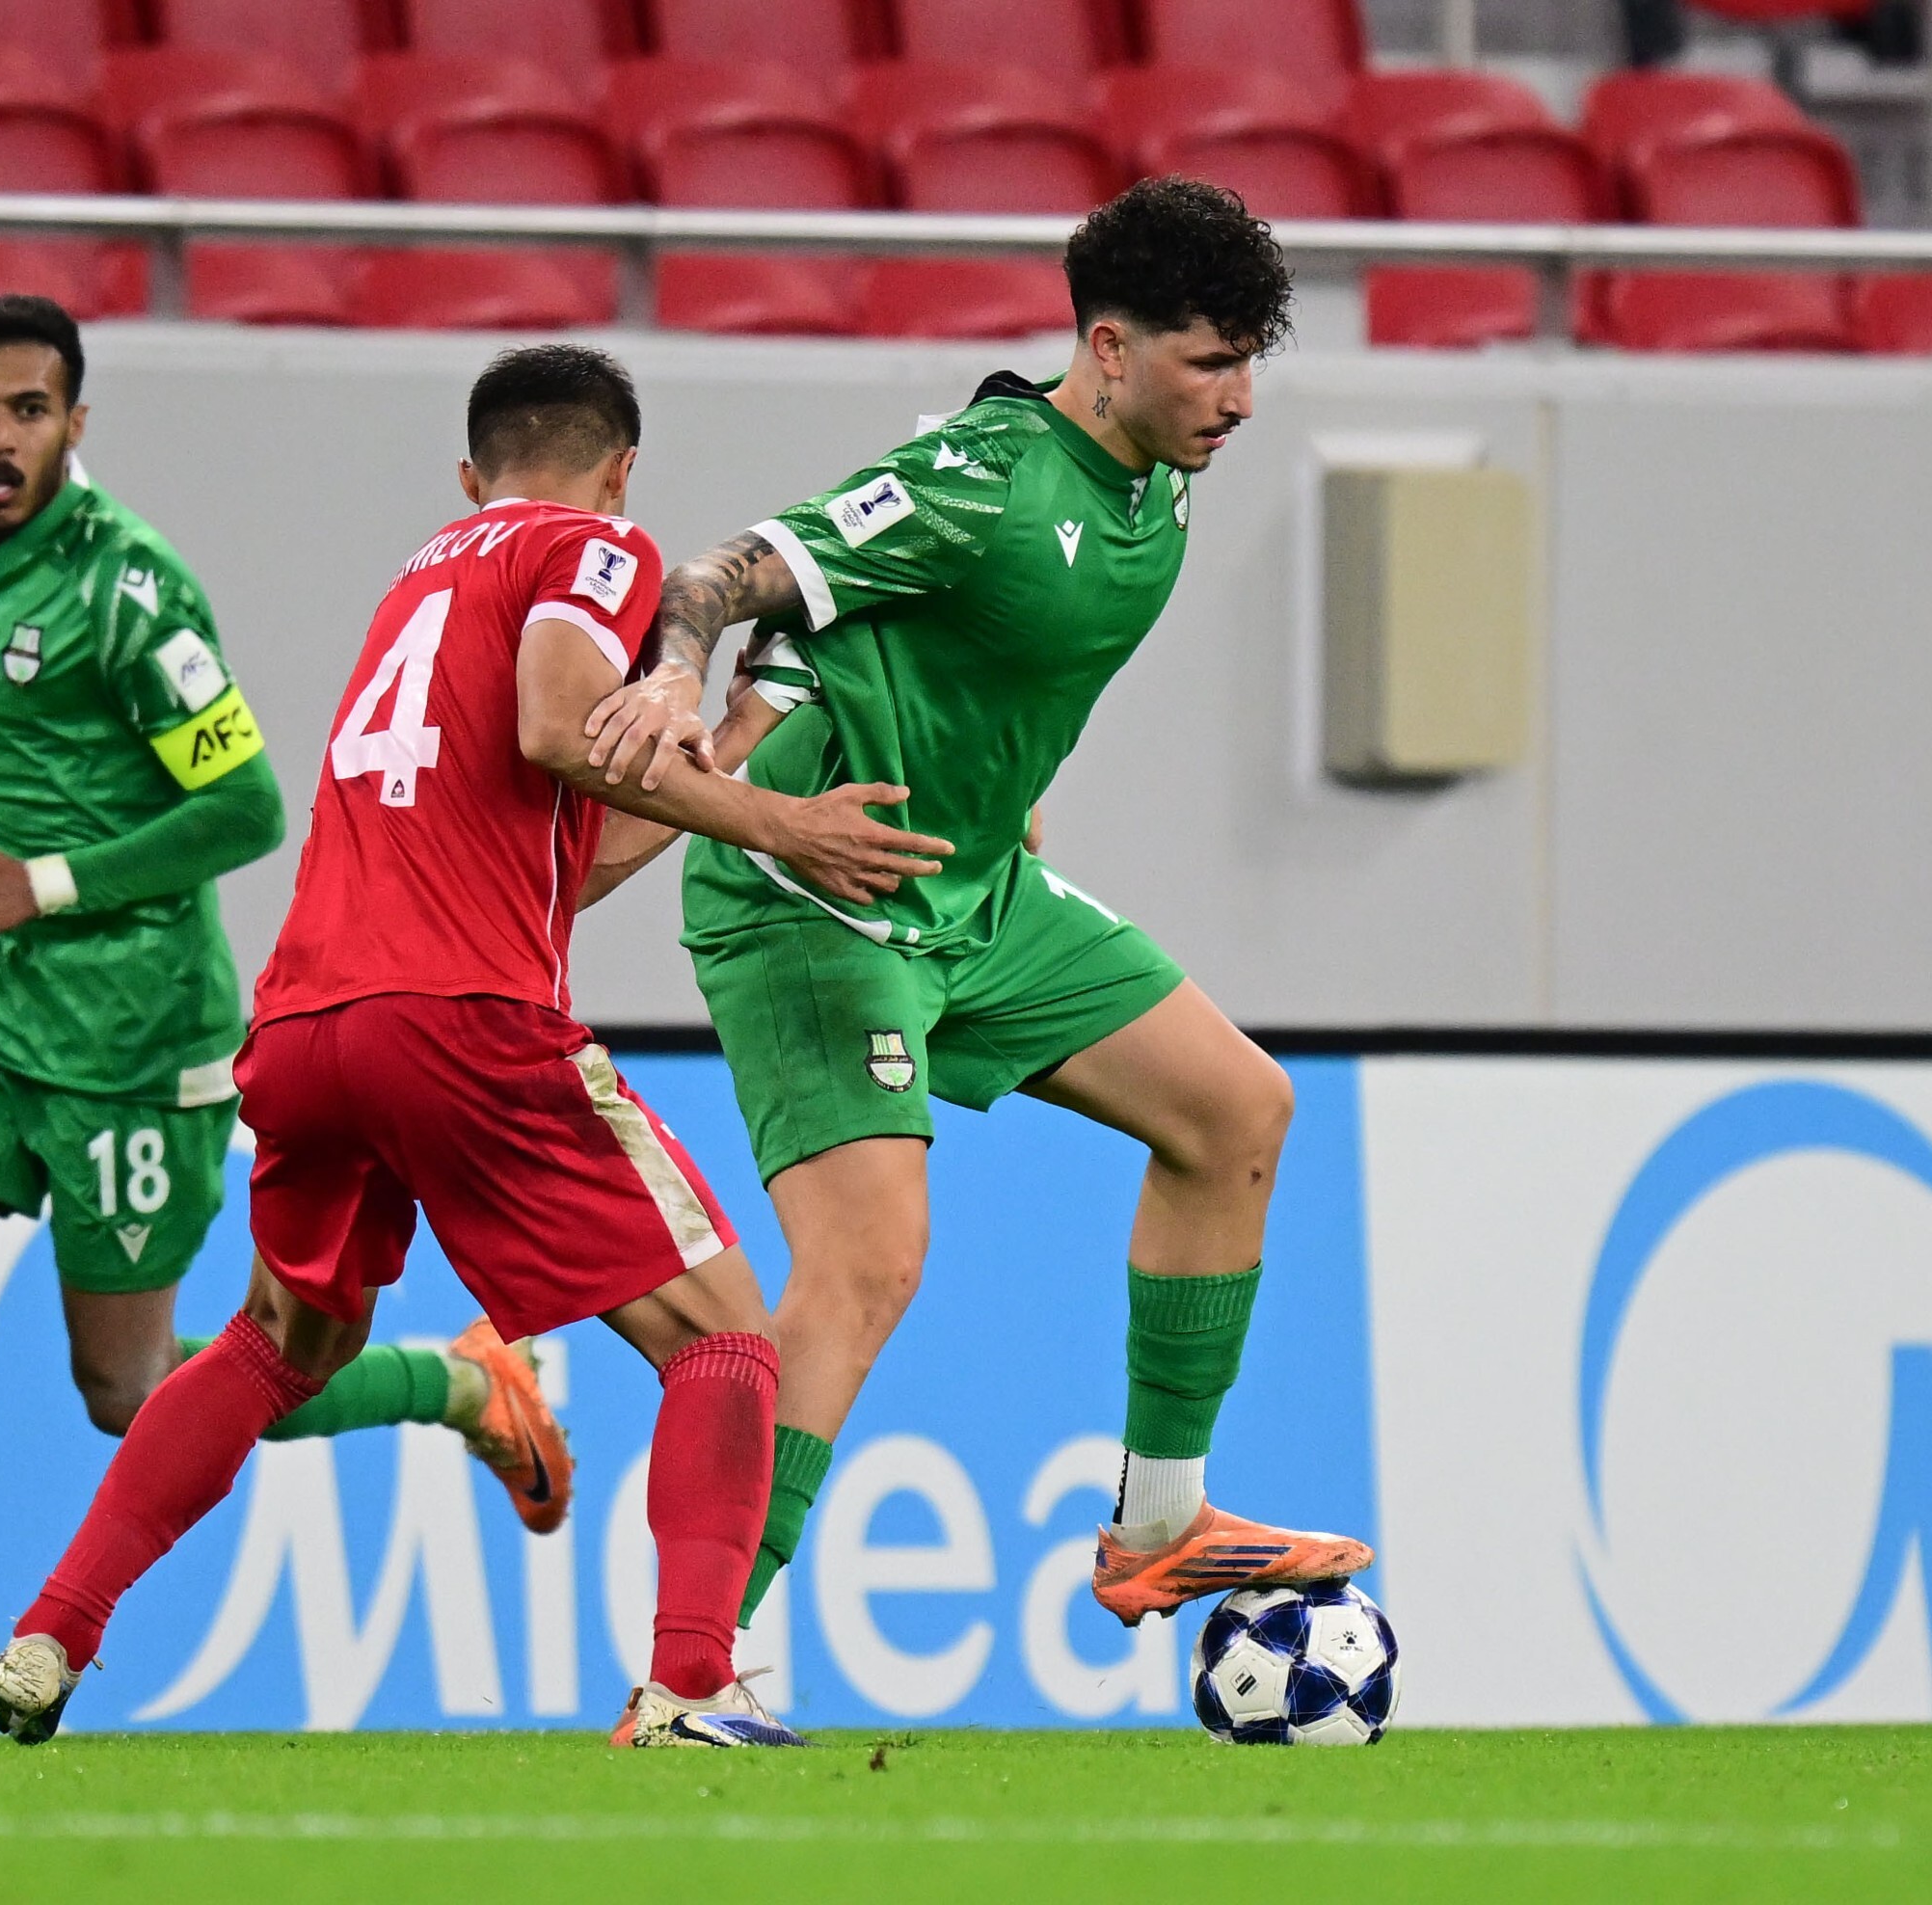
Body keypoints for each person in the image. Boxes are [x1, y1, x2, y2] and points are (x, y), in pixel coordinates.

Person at [0, 344, 949, 1750]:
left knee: (277, 1342)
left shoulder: (420, 583)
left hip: (308, 1022)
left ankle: (50, 1636)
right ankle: (689, 1686)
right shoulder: (596, 549)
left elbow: (564, 864)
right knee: (728, 1335)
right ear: (622, 470)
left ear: (468, 472)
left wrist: (729, 748)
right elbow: (555, 725)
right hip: (464, 1020)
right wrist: (783, 825)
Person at [0, 296, 570, 1740]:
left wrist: (36, 884)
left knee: (128, 1389)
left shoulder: (131, 591)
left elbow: (244, 808)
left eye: (27, 410)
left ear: (75, 421)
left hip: (131, 1039)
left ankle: (457, 1385)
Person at [582, 179, 1377, 1642]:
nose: (1241, 400)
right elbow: (719, 573)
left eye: (1250, 362)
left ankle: (1159, 1526)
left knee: (1237, 1113)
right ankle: (699, 1667)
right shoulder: (977, 475)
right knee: (866, 1265)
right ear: (1107, 347)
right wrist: (679, 673)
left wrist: (1002, 790)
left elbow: (979, 659)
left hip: (978, 886)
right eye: (1210, 363)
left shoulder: (1159, 477)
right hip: (818, 889)